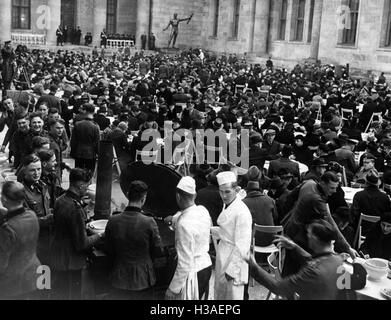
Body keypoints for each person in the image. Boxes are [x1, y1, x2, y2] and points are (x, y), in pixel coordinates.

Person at [247, 220, 346, 300]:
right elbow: (316, 262)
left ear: (315, 238)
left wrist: (254, 267)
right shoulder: (340, 261)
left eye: (309, 234)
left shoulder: (313, 272)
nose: (307, 236)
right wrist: (295, 247)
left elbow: (278, 287)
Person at [283, 172, 357, 277]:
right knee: (300, 272)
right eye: (332, 188)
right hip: (298, 237)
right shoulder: (317, 199)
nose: (335, 191)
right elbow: (330, 223)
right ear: (322, 183)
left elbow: (291, 196)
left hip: (294, 231)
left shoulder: (311, 184)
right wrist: (347, 247)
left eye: (335, 187)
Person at [104, 181, 164, 300]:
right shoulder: (149, 222)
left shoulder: (113, 220)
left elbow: (108, 249)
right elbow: (158, 251)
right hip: (143, 279)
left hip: (118, 277)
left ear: (127, 194)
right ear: (144, 198)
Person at [50, 168, 103, 300]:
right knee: (71, 294)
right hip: (71, 262)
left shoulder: (60, 199)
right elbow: (82, 244)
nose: (87, 189)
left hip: (57, 256)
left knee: (59, 292)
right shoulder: (75, 209)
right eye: (87, 185)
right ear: (80, 186)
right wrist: (100, 235)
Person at [165, 176, 213, 300]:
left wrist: (173, 288)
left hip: (193, 272)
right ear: (195, 195)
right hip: (206, 266)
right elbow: (188, 216)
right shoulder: (203, 210)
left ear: (178, 196)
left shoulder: (183, 224)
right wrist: (173, 219)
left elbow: (184, 263)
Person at [213, 171, 252, 300]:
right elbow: (227, 231)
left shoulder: (242, 212)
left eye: (227, 192)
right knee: (221, 295)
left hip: (234, 261)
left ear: (236, 189)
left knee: (233, 297)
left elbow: (242, 245)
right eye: (221, 191)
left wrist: (232, 270)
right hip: (223, 254)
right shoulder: (228, 205)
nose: (224, 195)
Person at [0, 182, 41, 299]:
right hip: (33, 275)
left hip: (14, 284)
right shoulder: (32, 215)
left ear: (3, 198)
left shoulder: (7, 230)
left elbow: (1, 264)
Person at [21, 154, 52, 265]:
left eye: (39, 169)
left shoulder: (42, 185)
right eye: (32, 170)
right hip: (34, 241)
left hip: (48, 238)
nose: (37, 173)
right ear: (24, 171)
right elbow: (27, 222)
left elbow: (46, 207)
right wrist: (49, 218)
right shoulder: (22, 193)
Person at [350, 171, 391, 236]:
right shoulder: (385, 197)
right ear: (377, 184)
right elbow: (388, 215)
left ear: (366, 183)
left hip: (361, 229)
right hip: (380, 230)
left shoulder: (358, 195)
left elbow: (353, 214)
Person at [70, 103, 100, 173]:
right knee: (88, 174)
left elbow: (73, 141)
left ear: (85, 111)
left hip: (78, 152)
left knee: (78, 173)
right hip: (90, 154)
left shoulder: (77, 124)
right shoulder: (95, 126)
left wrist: (73, 152)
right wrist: (98, 154)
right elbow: (97, 143)